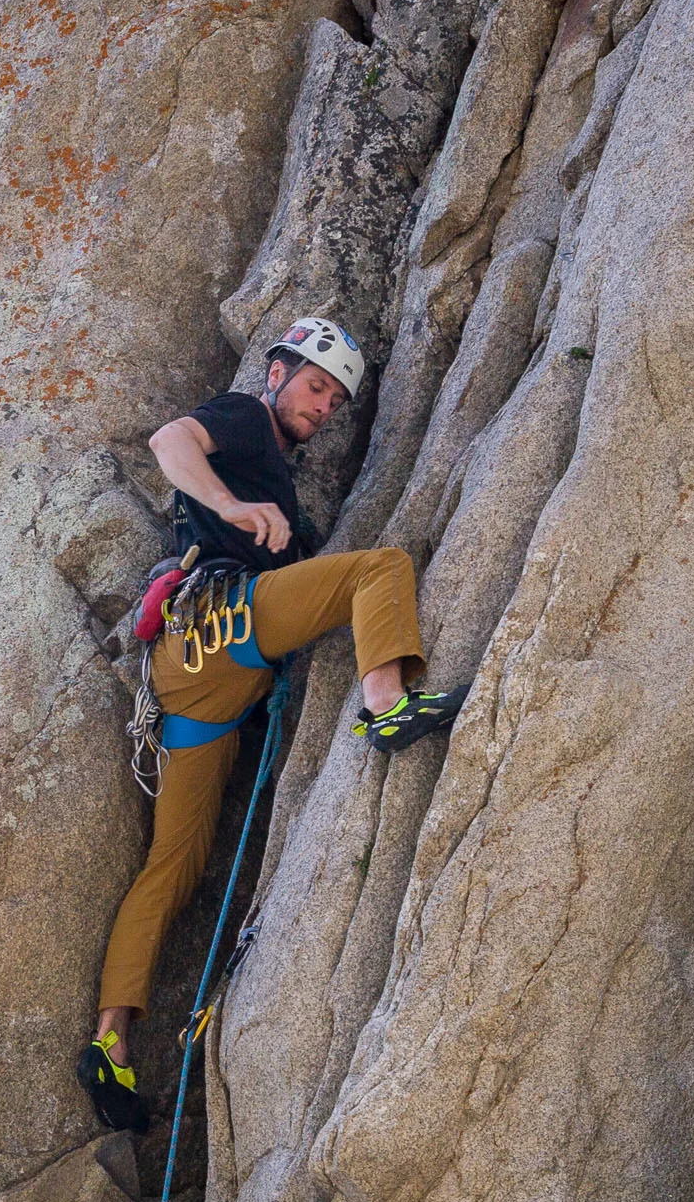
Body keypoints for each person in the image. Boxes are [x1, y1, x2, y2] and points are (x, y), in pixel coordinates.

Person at [78, 318, 465, 1133]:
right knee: (381, 569)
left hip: (196, 688)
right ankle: (387, 706)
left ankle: (109, 1045)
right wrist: (230, 502)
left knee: (173, 867)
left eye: (335, 400)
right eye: (316, 385)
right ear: (278, 372)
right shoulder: (245, 419)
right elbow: (169, 441)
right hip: (216, 625)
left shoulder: (280, 487)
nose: (323, 406)